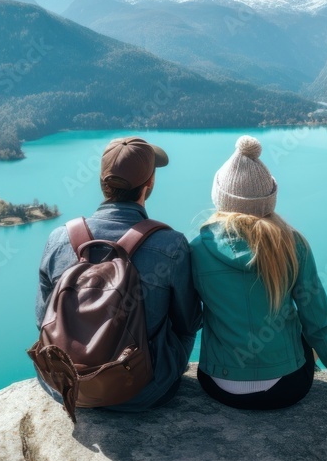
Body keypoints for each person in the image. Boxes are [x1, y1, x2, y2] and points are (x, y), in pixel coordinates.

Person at [189, 135, 327, 416]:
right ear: (269, 200)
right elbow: (318, 324)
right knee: (303, 337)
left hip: (217, 384)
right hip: (286, 388)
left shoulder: (196, 249)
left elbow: (188, 319)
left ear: (220, 197)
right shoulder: (293, 245)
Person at [36, 136, 202, 411]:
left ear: (103, 183)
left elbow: (43, 318)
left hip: (67, 386)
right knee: (183, 326)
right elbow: (188, 322)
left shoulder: (58, 238)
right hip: (142, 391)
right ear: (149, 184)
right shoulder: (171, 244)